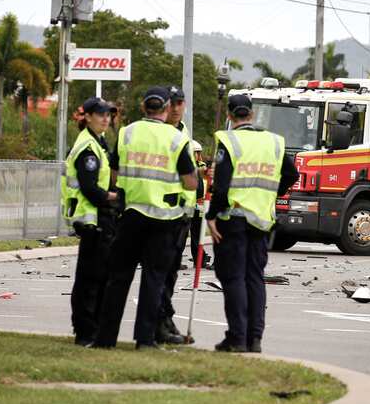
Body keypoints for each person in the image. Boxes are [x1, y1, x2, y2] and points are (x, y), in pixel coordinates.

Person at [92, 86, 199, 350]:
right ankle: (145, 339)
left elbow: (114, 175)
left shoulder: (127, 133)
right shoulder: (175, 138)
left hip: (130, 216)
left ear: (144, 107)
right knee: (153, 280)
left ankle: (105, 339)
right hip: (163, 220)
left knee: (119, 278)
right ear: (165, 108)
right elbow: (190, 182)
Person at [208, 93, 298, 353]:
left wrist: (211, 215)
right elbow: (292, 173)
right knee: (254, 278)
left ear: (229, 115)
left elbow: (222, 186)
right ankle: (254, 339)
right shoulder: (273, 142)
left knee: (233, 278)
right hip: (261, 220)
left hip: (233, 219)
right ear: (253, 113)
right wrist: (273, 192)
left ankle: (237, 337)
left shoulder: (229, 140)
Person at [61, 96, 120, 345]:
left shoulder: (99, 142)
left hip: (98, 219)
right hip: (92, 221)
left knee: (97, 277)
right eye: (100, 114)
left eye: (108, 114)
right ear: (86, 117)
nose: (105, 118)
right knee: (90, 280)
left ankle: (91, 328)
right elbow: (89, 188)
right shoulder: (88, 147)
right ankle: (85, 332)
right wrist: (117, 198)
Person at [157, 85, 202, 345]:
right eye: (171, 103)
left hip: (182, 213)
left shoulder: (183, 132)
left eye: (179, 103)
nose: (175, 108)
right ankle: (161, 320)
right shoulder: (160, 132)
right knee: (161, 272)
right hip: (161, 211)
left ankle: (166, 317)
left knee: (172, 271)